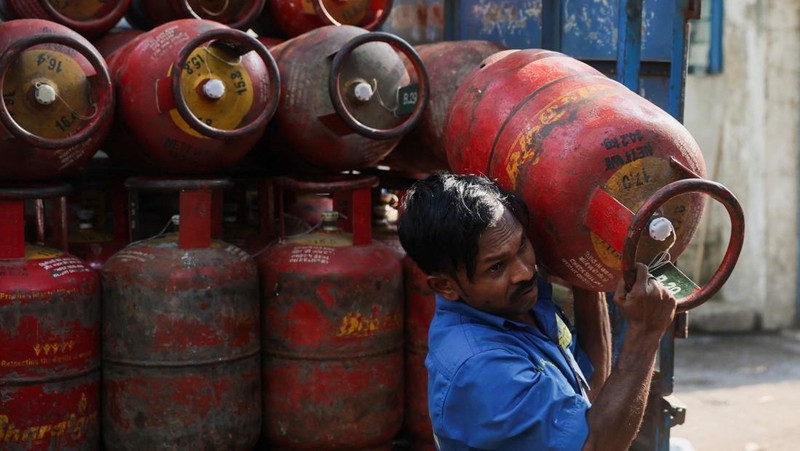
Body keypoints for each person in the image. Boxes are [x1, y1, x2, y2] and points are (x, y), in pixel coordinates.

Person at [396, 172, 677, 450]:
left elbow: (590, 389)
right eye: (496, 267)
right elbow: (595, 446)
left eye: (521, 245)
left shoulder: (517, 305)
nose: (525, 272)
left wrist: (585, 277)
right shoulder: (480, 367)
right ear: (445, 286)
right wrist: (645, 334)